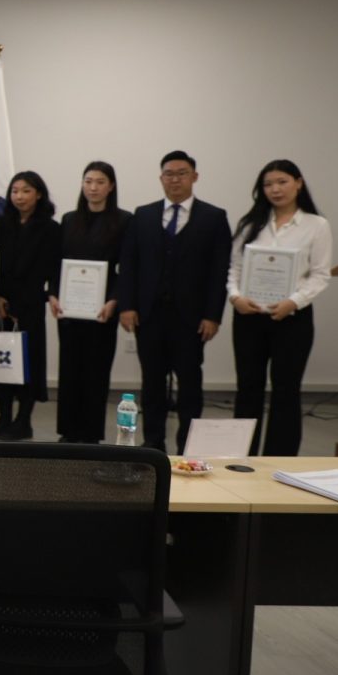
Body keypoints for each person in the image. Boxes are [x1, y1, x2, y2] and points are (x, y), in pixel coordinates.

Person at [118, 151, 232, 452]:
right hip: (149, 315)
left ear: (195, 177)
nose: (175, 179)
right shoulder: (143, 215)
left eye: (182, 173)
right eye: (169, 174)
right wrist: (127, 306)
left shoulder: (214, 217)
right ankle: (153, 441)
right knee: (152, 381)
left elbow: (219, 270)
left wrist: (213, 315)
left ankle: (189, 445)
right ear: (161, 178)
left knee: (190, 383)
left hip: (191, 318)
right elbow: (129, 264)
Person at [227, 160, 332, 456]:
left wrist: (293, 301)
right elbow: (234, 268)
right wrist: (235, 297)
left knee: (286, 390)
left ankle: (279, 459)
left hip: (292, 318)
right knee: (248, 388)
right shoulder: (251, 224)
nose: (275, 189)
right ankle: (241, 457)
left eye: (282, 182)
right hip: (249, 316)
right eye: (268, 184)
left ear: (298, 183)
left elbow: (321, 274)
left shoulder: (316, 225)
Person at [50, 162, 132, 443]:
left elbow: (126, 267)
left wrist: (115, 300)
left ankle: (90, 434)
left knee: (96, 371)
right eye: (88, 181)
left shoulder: (124, 220)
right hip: (70, 309)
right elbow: (57, 262)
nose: (93, 187)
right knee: (69, 369)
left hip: (102, 310)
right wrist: (53, 294)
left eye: (100, 182)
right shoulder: (69, 219)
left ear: (111, 186)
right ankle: (68, 431)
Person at [0, 171, 60, 441]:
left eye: (26, 191)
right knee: (3, 361)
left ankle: (23, 420)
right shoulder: (0, 226)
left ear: (38, 194)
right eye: (15, 191)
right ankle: (4, 417)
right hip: (2, 304)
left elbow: (54, 269)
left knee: (29, 362)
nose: (19, 196)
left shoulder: (51, 228)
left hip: (31, 304)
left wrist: (49, 295)